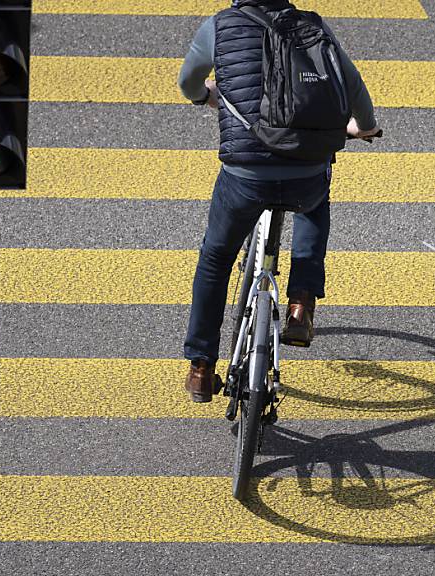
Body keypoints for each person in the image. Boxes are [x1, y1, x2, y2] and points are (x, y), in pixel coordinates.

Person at [179, 0, 380, 402]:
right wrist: (365, 127)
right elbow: (353, 85)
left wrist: (207, 97)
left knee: (216, 259)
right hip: (305, 174)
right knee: (317, 197)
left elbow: (188, 83)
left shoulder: (219, 27)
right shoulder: (311, 28)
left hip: (245, 177)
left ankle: (201, 367)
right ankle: (301, 303)